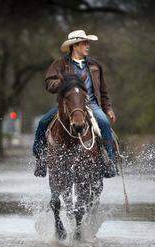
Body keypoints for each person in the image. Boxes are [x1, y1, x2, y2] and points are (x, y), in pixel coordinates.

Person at [33, 30, 119, 178]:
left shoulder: (95, 65)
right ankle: (40, 159)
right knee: (42, 123)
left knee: (104, 123)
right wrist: (61, 81)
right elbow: (49, 84)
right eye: (84, 43)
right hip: (67, 105)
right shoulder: (60, 64)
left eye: (87, 43)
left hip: (91, 104)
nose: (88, 46)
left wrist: (108, 108)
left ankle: (109, 161)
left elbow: (103, 91)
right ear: (75, 46)